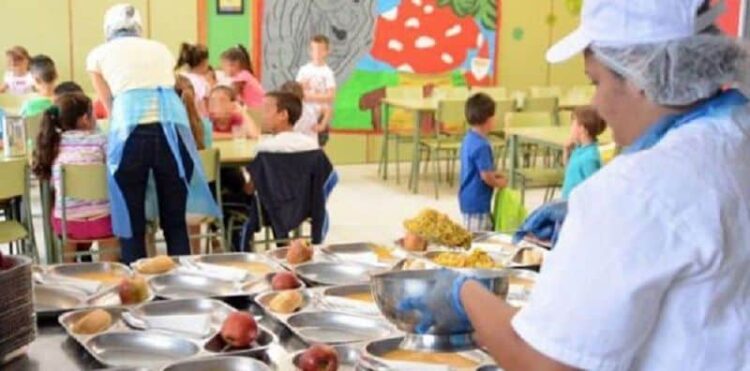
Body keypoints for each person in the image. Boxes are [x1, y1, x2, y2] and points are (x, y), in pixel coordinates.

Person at [405, 0, 750, 370]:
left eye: (596, 81)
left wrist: (464, 293)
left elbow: (546, 364)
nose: (596, 104)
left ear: (641, 79)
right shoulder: (734, 134)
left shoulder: (637, 188)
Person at [87, 4, 219, 264]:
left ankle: (136, 285)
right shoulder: (160, 49)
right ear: (139, 28)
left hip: (131, 133)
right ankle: (180, 280)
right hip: (173, 130)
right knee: (175, 219)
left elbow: (111, 105)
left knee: (132, 217)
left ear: (107, 28)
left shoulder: (97, 55)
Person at [32, 93, 119, 263]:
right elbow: (114, 170)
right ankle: (110, 273)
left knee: (60, 211)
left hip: (68, 224)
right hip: (103, 222)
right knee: (112, 219)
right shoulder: (101, 140)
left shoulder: (52, 144)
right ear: (85, 119)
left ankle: (68, 274)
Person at [458, 93, 507, 232]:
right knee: (479, 238)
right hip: (478, 202)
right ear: (488, 119)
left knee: (471, 231)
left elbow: (476, 168)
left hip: (467, 198)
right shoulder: (482, 145)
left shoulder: (469, 138)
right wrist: (499, 183)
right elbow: (485, 176)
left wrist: (495, 173)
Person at [296, 35, 336, 146]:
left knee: (318, 144)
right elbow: (296, 90)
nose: (317, 53)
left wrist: (310, 97)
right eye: (314, 49)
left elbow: (331, 96)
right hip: (305, 113)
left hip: (321, 114)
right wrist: (303, 86)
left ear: (326, 51)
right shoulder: (304, 70)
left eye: (320, 50)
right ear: (310, 51)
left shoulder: (327, 72)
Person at [561, 106, 606, 199]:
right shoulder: (578, 149)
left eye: (573, 124)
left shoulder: (590, 158)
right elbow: (570, 171)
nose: (570, 128)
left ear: (582, 129)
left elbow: (594, 189)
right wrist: (566, 152)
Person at [279, 80, 325, 145]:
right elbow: (326, 110)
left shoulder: (303, 111)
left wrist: (322, 125)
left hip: (302, 147)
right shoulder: (309, 106)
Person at [175, 42, 210, 118]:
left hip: (180, 117)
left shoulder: (179, 76)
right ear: (204, 62)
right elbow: (207, 105)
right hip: (198, 119)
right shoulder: (203, 83)